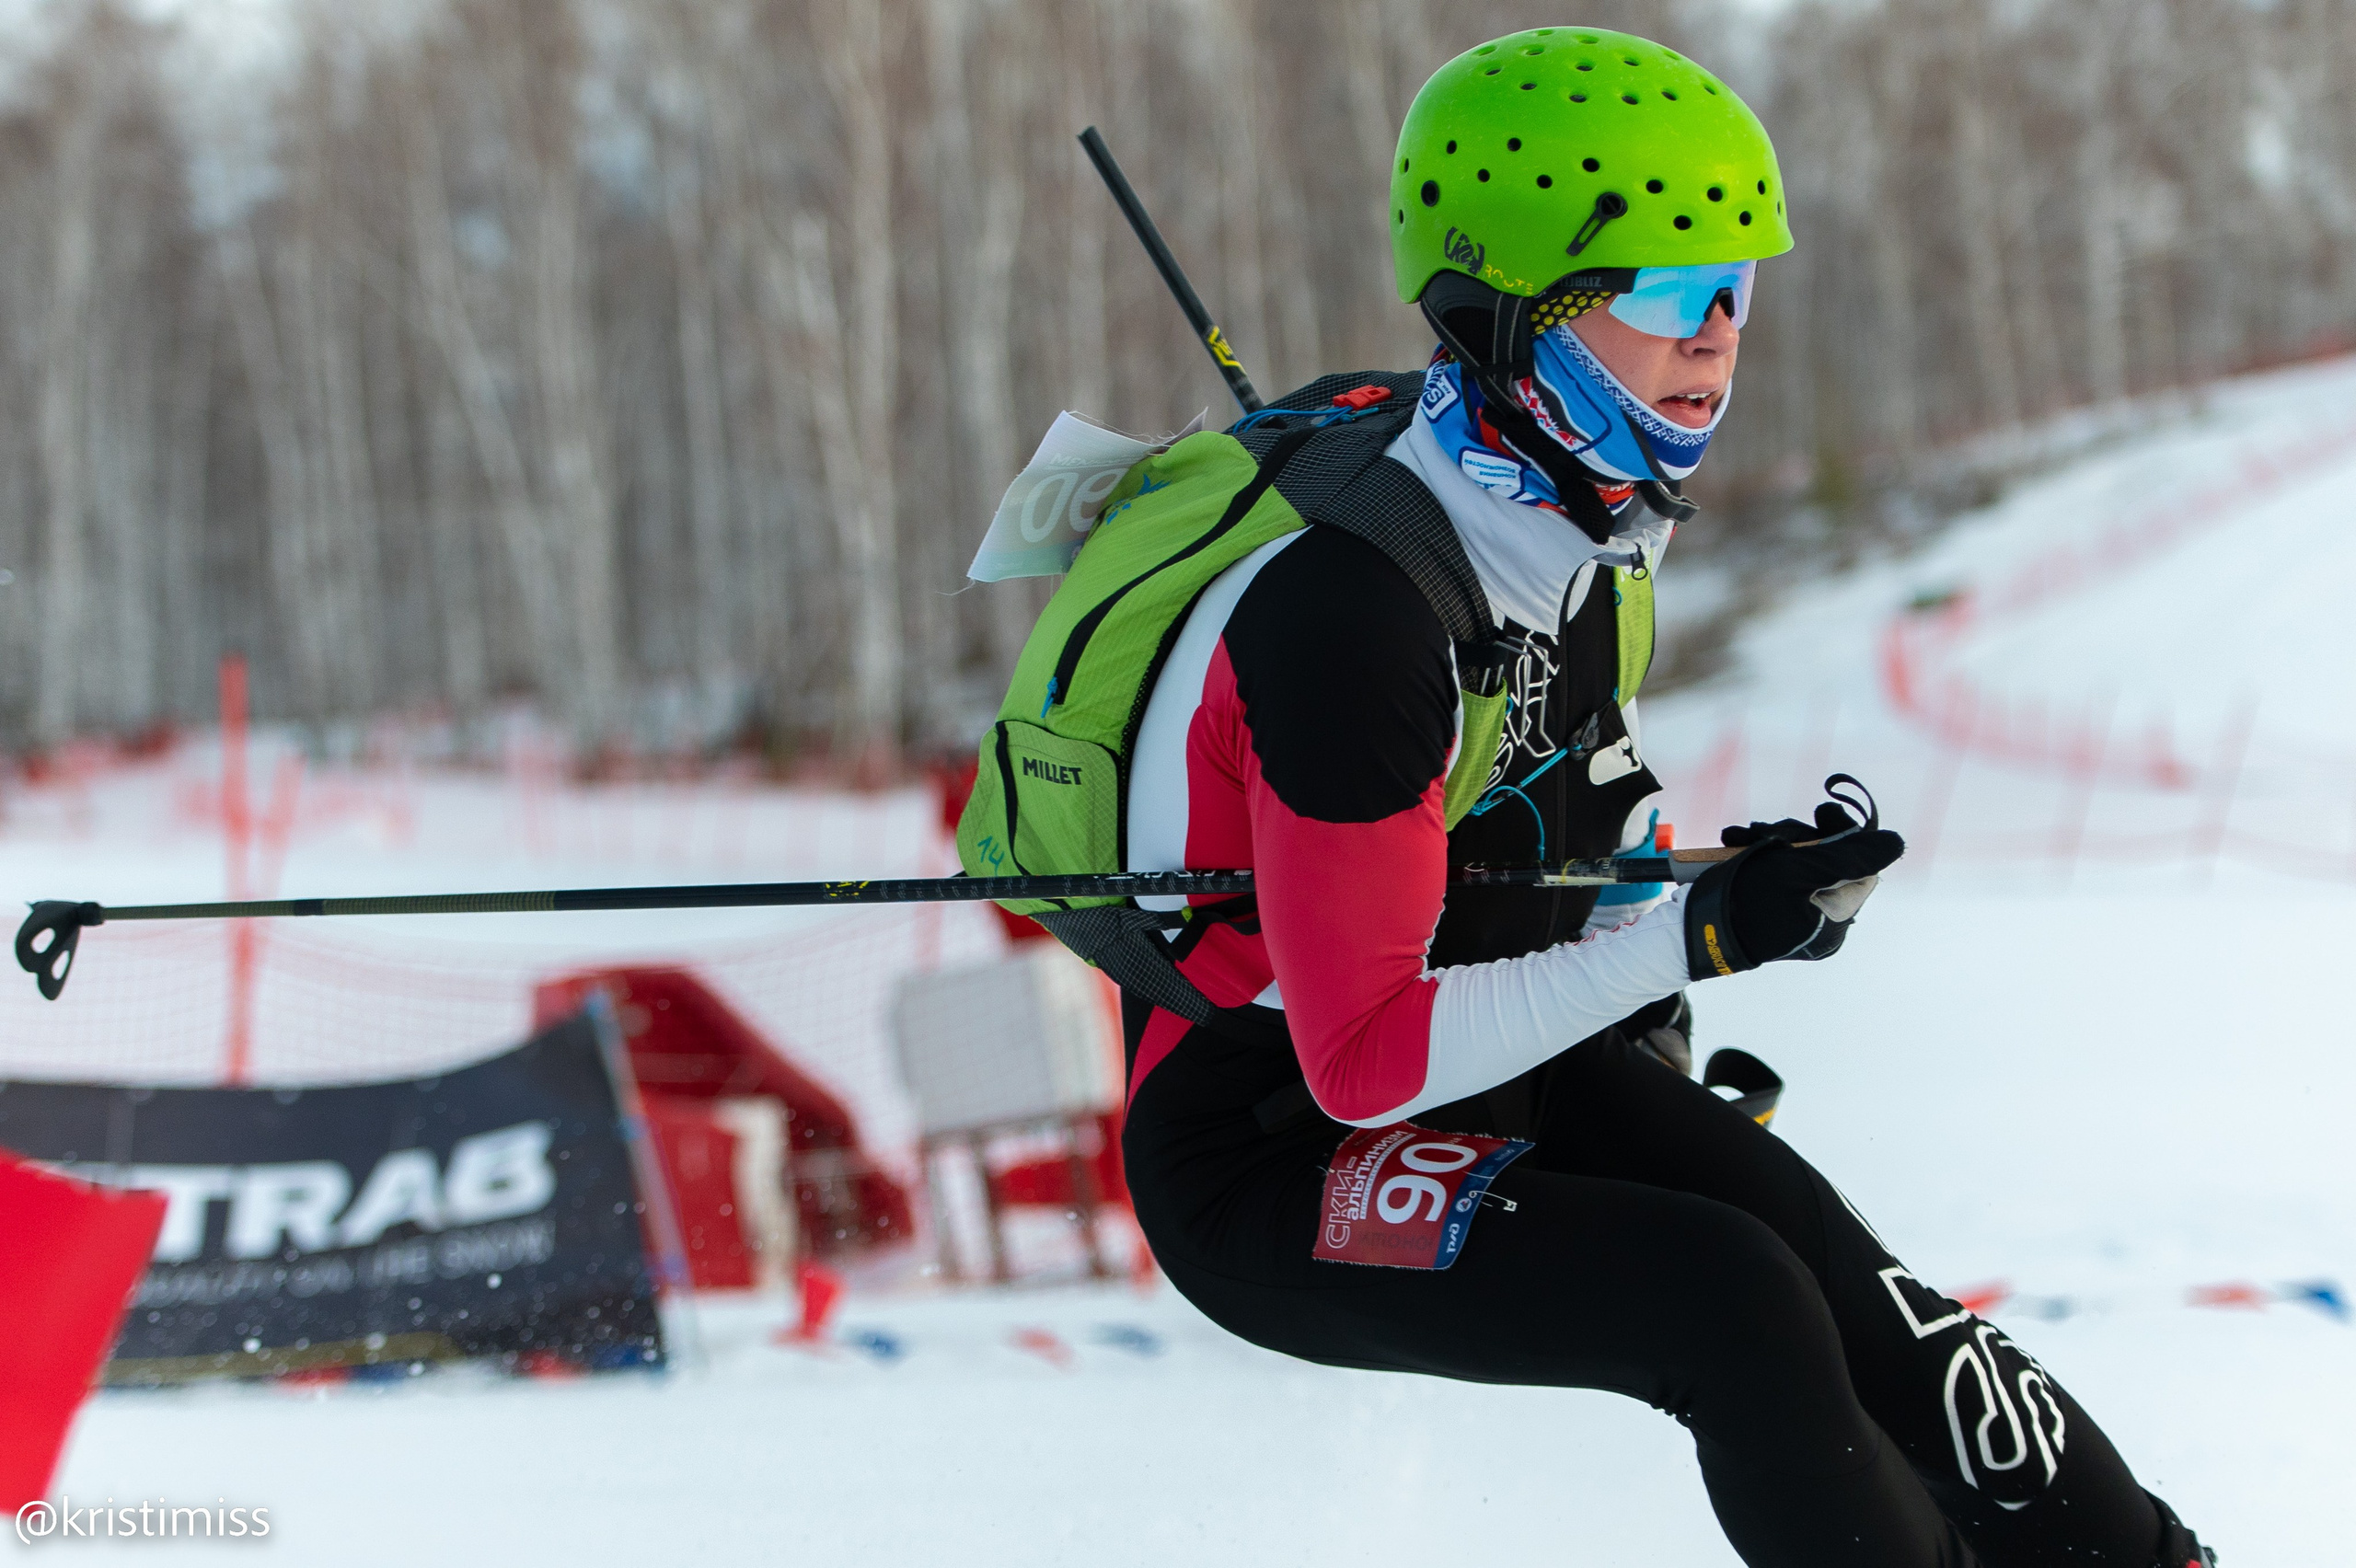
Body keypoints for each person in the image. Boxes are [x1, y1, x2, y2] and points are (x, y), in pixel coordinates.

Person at [1106, 28, 2218, 1568]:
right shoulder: (1351, 621)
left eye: (1735, 296)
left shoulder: (1583, 522)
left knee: (1845, 1276)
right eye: (1667, 296)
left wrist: (1681, 945)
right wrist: (1684, 943)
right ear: (1517, 317)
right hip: (1274, 1138)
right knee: (1734, 1302)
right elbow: (1358, 1063)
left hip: (1496, 1044)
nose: (1716, 343)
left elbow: (1566, 824)